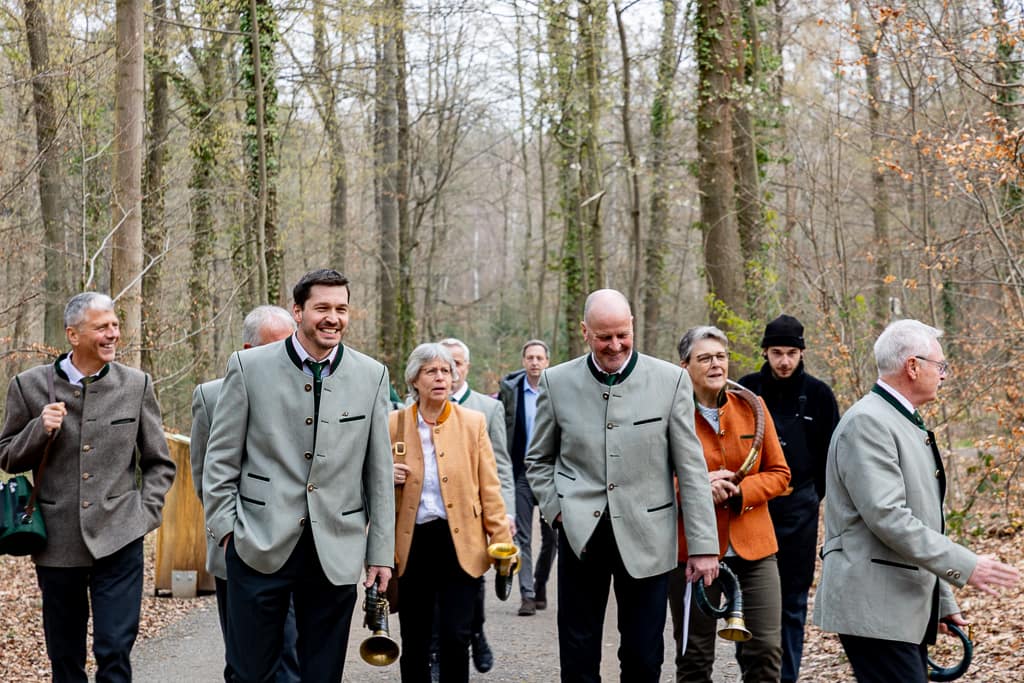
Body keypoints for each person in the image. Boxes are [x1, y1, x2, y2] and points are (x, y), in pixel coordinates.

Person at [202, 269, 395, 683]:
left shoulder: (372, 375)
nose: (333, 318)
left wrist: (380, 552)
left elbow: (378, 473)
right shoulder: (248, 367)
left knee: (322, 674)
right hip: (256, 542)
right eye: (322, 308)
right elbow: (219, 461)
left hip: (335, 549)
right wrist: (226, 531)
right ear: (298, 311)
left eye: (341, 309)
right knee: (249, 672)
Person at [526, 289, 720, 683]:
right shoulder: (556, 382)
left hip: (649, 535)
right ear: (585, 332)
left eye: (621, 334)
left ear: (632, 326)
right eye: (603, 337)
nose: (614, 345)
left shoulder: (670, 382)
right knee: (578, 655)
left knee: (644, 657)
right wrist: (557, 510)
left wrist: (703, 547)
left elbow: (692, 469)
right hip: (582, 535)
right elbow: (538, 460)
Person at [814, 319, 1020, 682]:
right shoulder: (868, 423)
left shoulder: (901, 420)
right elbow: (889, 517)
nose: (944, 375)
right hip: (875, 607)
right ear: (912, 366)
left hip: (897, 605)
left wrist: (941, 600)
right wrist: (966, 565)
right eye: (940, 365)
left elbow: (922, 522)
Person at [0, 292, 176, 682]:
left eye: (115, 325)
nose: (113, 334)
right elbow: (8, 457)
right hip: (57, 544)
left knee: (114, 650)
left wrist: (144, 512)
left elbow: (159, 462)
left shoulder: (136, 385)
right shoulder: (28, 386)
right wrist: (38, 429)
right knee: (66, 659)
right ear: (73, 335)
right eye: (102, 327)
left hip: (120, 536)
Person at [670, 326, 791, 682]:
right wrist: (694, 487)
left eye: (720, 356)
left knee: (766, 651)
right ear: (684, 366)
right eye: (704, 358)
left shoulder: (752, 407)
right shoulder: (669, 413)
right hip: (691, 551)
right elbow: (652, 480)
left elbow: (780, 473)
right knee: (693, 656)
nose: (715, 364)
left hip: (754, 549)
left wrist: (740, 492)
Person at [390, 343, 513, 683]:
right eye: (431, 371)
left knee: (455, 636)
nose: (441, 378)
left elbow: (490, 487)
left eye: (446, 371)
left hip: (461, 544)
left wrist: (501, 543)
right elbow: (368, 484)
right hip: (412, 545)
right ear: (415, 379)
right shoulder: (393, 424)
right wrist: (387, 474)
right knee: (414, 639)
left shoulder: (473, 423)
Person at [190, 305, 299, 682]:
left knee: (293, 659)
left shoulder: (311, 393)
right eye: (275, 346)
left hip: (300, 550)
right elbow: (207, 476)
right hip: (239, 549)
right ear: (247, 349)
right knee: (246, 664)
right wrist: (231, 535)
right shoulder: (210, 397)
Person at [738, 314, 839, 682]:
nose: (784, 361)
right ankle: (754, 674)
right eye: (777, 352)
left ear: (802, 353)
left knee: (793, 602)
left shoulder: (819, 395)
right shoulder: (745, 392)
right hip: (751, 507)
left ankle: (788, 677)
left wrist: (811, 497)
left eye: (791, 353)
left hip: (800, 508)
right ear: (765, 352)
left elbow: (832, 457)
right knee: (750, 601)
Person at [434, 338, 514, 672]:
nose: (449, 372)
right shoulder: (420, 404)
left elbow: (502, 465)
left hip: (475, 512)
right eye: (443, 364)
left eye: (456, 364)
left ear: (466, 367)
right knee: (436, 585)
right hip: (434, 512)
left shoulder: (487, 408)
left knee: (473, 579)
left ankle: (475, 632)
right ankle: (437, 649)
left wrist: (506, 511)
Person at [497, 339, 557, 616]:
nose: (534, 362)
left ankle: (540, 583)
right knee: (521, 535)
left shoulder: (557, 389)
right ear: (523, 361)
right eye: (530, 357)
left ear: (547, 361)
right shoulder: (510, 390)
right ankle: (527, 595)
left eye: (539, 358)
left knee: (552, 537)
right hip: (520, 471)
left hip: (550, 473)